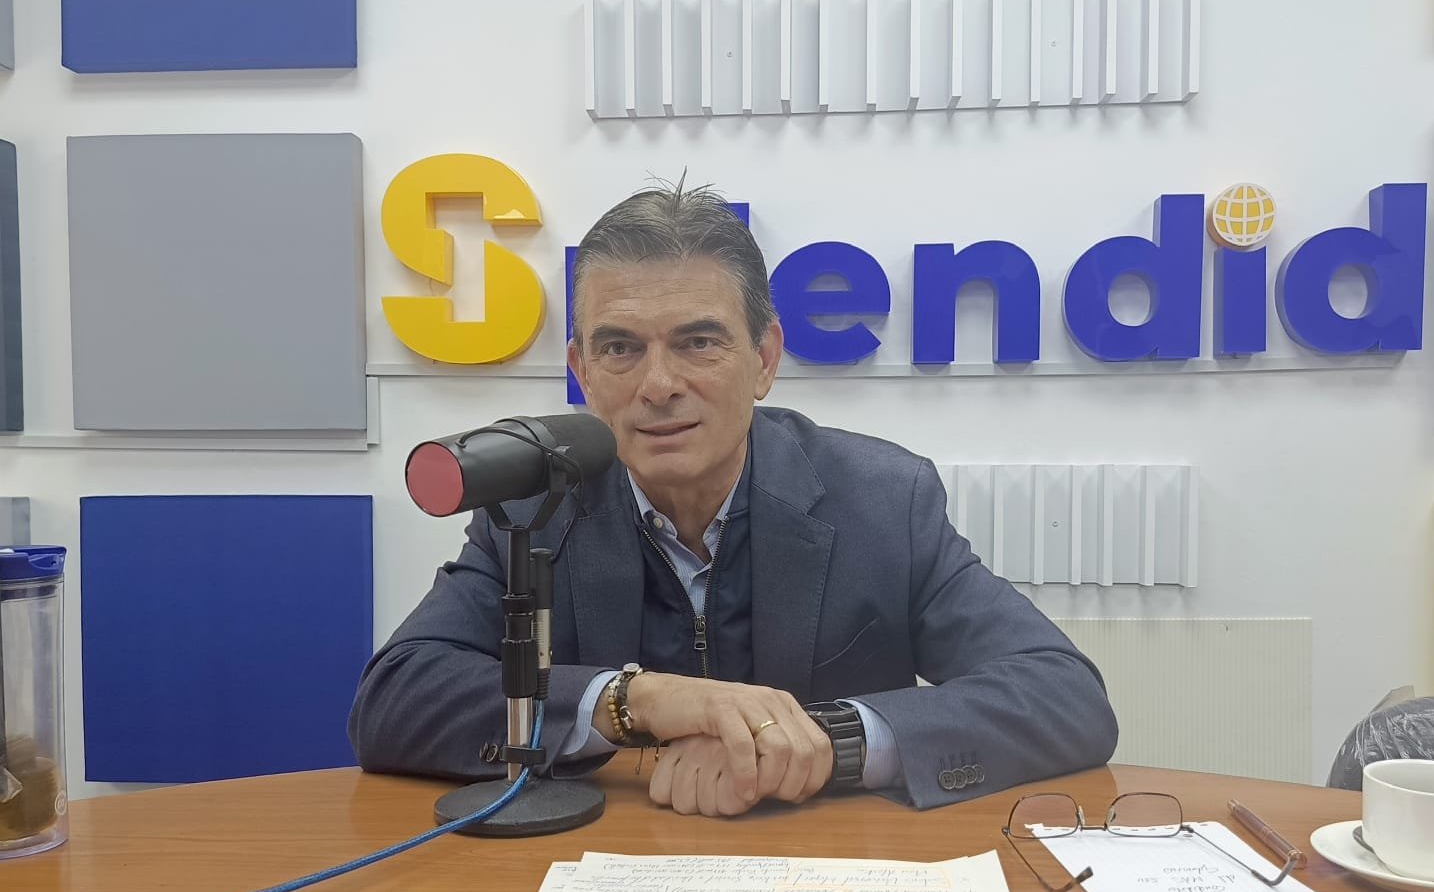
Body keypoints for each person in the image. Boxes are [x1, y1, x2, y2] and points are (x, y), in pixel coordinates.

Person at [348, 181, 1118, 815]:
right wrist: (635, 701)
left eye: (698, 342)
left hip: (833, 880)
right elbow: (395, 702)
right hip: (603, 878)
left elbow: (1062, 695)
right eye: (620, 348)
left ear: (764, 359)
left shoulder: (881, 500)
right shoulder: (533, 510)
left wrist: (831, 743)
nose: (658, 384)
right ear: (581, 372)